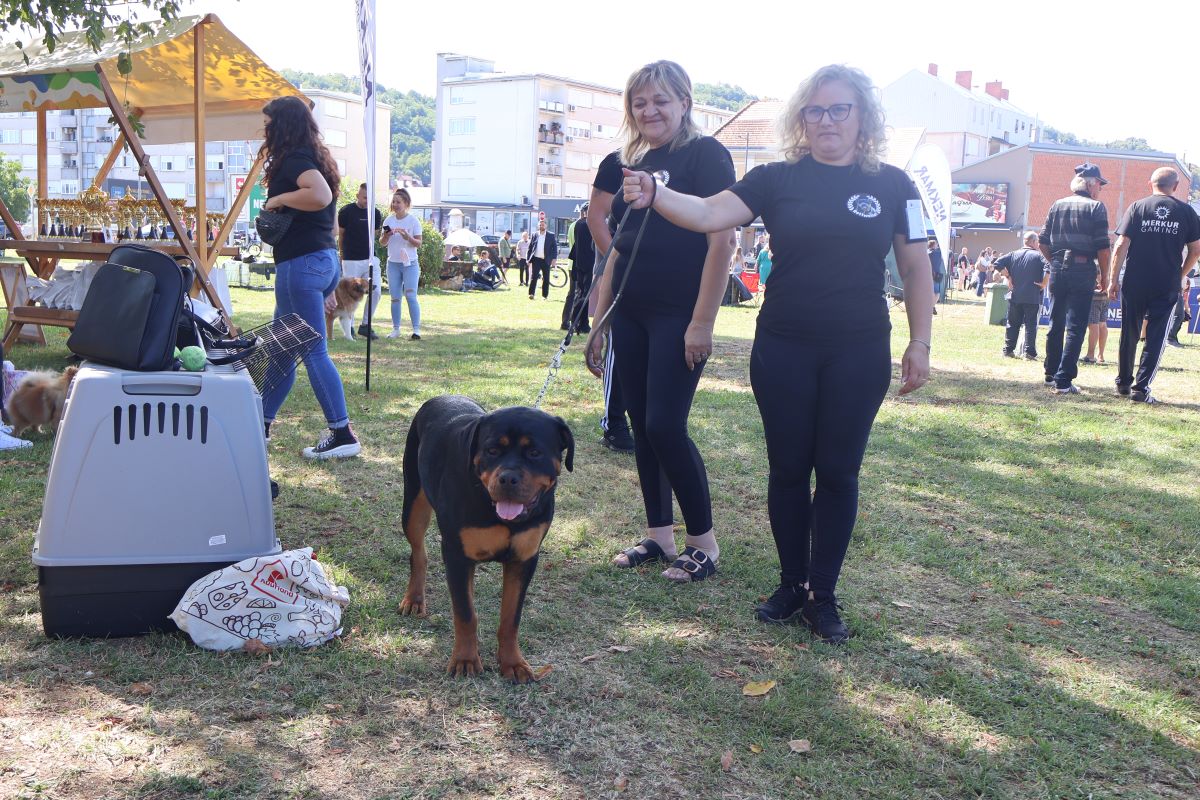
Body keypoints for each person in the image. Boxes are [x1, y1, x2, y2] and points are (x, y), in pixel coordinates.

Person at [619, 63, 932, 642]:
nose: (827, 120)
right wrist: (657, 192)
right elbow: (709, 214)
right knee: (788, 469)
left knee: (837, 472)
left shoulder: (894, 184)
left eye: (839, 109)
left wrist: (920, 340)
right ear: (801, 119)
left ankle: (823, 595)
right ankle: (791, 584)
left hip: (859, 348)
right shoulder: (775, 179)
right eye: (815, 110)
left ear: (862, 116)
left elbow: (916, 266)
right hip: (784, 346)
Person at [583, 59, 736, 583]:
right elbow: (621, 245)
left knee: (665, 425)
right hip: (631, 310)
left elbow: (723, 239)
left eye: (661, 101)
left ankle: (703, 544)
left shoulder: (706, 154)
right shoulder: (632, 160)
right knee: (644, 424)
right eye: (640, 102)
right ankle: (660, 535)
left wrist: (702, 321)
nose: (650, 111)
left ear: (684, 103)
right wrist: (601, 316)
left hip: (679, 310)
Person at [258, 95, 360, 459]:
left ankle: (342, 432)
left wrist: (276, 201)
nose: (265, 130)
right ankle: (258, 423)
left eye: (269, 123)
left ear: (283, 125)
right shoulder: (317, 158)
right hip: (321, 260)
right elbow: (329, 216)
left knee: (312, 351)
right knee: (281, 350)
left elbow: (320, 195)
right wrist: (327, 279)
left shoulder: (295, 159)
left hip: (300, 265)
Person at [1108, 167, 1200, 403]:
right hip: (1166, 283)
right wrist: (1180, 275)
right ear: (1175, 186)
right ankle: (1141, 388)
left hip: (1135, 280)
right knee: (1157, 336)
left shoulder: (1137, 207)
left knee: (1129, 332)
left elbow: (1120, 245)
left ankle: (1123, 383)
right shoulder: (1187, 212)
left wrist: (1113, 280)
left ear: (1150, 183)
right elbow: (1196, 250)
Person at [1040, 162, 1111, 395]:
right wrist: (1105, 275)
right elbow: (1103, 247)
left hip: (1058, 268)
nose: (1100, 189)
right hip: (1082, 269)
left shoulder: (1057, 205)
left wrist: (1055, 262)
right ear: (1091, 184)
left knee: (1056, 322)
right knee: (1076, 326)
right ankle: (1063, 380)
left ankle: (1051, 373)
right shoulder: (1096, 207)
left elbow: (1042, 242)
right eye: (1099, 184)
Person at [588, 152, 636, 453]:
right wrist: (620, 263)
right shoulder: (617, 161)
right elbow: (596, 218)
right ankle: (614, 423)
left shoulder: (684, 158)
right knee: (619, 343)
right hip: (621, 271)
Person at [336, 182, 384, 340]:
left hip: (370, 258)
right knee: (349, 294)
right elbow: (341, 235)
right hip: (351, 259)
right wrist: (342, 254)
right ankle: (349, 327)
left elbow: (373, 236)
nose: (367, 201)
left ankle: (365, 325)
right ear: (357, 196)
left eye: (370, 198)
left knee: (376, 291)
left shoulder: (375, 213)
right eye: (364, 198)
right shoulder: (346, 212)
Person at [995, 232, 1049, 360]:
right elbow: (1049, 266)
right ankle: (1029, 353)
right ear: (1034, 242)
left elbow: (997, 263)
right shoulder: (1038, 256)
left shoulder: (1013, 254)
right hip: (1032, 296)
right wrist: (1044, 283)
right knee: (1031, 325)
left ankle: (1008, 350)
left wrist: (1008, 276)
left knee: (1012, 324)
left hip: (1015, 294)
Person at [381, 188, 423, 340]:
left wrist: (408, 237)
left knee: (411, 296)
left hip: (410, 264)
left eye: (398, 202)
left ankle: (416, 330)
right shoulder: (388, 220)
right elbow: (382, 242)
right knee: (395, 298)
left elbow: (418, 243)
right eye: (393, 202)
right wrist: (386, 236)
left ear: (406, 203)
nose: (395, 204)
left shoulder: (413, 221)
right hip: (393, 263)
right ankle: (396, 329)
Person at [565, 203, 594, 334]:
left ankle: (580, 322)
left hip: (578, 263)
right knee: (585, 294)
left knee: (580, 293)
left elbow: (574, 245)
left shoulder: (576, 224)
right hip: (589, 263)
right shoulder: (589, 224)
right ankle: (577, 320)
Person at [527, 219, 558, 299]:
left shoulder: (551, 235)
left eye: (543, 225)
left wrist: (554, 259)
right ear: (538, 226)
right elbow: (530, 248)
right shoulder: (534, 235)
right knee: (534, 277)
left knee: (546, 278)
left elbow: (554, 248)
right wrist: (528, 259)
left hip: (546, 260)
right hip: (536, 259)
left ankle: (544, 296)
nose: (541, 226)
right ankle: (531, 294)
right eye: (540, 225)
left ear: (546, 226)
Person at [928, 239, 944, 310]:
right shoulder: (937, 253)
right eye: (936, 244)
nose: (937, 245)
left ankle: (931, 307)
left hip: (925, 275)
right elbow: (950, 253)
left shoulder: (926, 252)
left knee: (929, 292)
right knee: (937, 293)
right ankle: (931, 307)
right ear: (934, 245)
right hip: (935, 275)